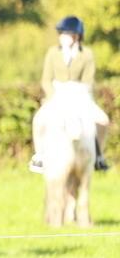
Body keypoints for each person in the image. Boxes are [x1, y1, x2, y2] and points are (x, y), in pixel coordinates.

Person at [29, 15, 110, 173]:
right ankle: (39, 157)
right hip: (56, 97)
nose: (62, 37)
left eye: (66, 34)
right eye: (61, 34)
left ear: (76, 36)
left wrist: (79, 96)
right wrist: (55, 97)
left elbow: (88, 82)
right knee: (38, 121)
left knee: (103, 121)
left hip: (80, 97)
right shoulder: (53, 53)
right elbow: (46, 80)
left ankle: (98, 156)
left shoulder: (87, 54)